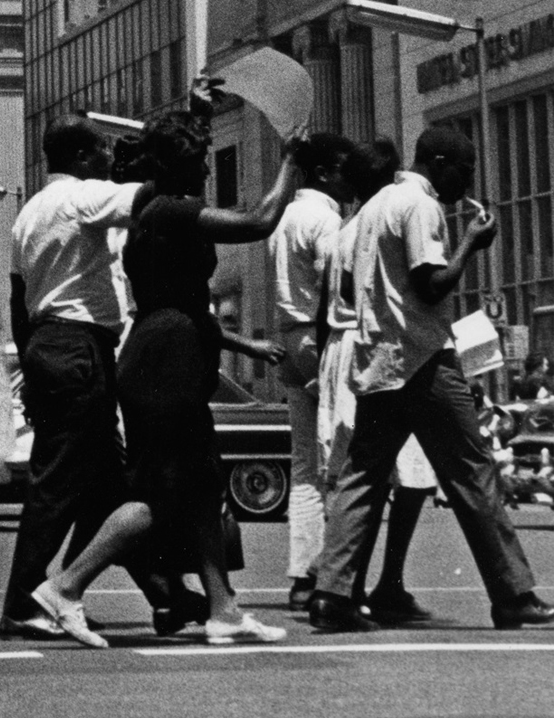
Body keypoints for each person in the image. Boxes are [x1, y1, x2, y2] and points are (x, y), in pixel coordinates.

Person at [29, 105, 298, 648]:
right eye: (199, 160)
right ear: (179, 167)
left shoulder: (152, 218)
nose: (204, 170)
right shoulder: (172, 211)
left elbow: (181, 305)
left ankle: (223, 609)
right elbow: (259, 221)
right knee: (160, 493)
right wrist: (291, 160)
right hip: (166, 366)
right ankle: (65, 586)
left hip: (164, 356)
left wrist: (240, 342)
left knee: (199, 489)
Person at [307, 126, 554, 632]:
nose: (466, 182)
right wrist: (469, 245)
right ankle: (513, 593)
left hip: (378, 361)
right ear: (438, 162)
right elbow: (431, 283)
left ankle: (331, 593)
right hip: (423, 359)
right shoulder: (420, 206)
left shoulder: (373, 208)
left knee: (362, 476)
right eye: (463, 171)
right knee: (472, 471)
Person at [268, 134, 362, 612]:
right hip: (320, 338)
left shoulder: (284, 216)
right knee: (338, 460)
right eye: (346, 169)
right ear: (325, 172)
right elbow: (335, 289)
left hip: (289, 336)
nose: (353, 179)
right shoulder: (326, 219)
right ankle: (331, 574)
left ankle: (301, 575)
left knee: (304, 465)